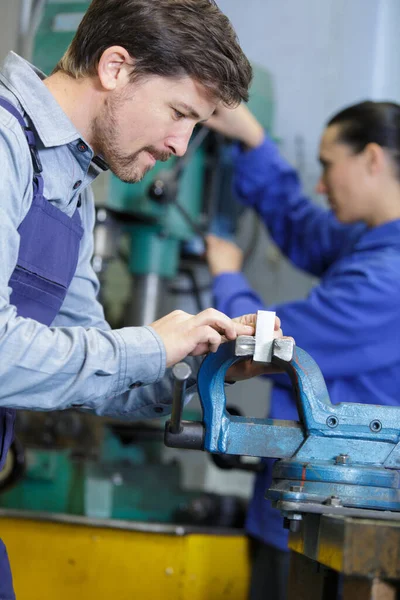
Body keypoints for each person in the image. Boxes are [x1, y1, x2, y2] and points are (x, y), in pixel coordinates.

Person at [0, 1, 286, 597]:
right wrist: (150, 343)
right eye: (179, 113)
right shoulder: (4, 147)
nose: (182, 145)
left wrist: (197, 371)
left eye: (197, 126)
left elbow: (91, 364)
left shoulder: (71, 186)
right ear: (115, 68)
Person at [205, 101, 400, 599]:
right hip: (315, 503)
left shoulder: (389, 277)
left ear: (372, 159)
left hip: (338, 513)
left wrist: (227, 278)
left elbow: (279, 344)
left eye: (328, 165)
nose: (319, 184)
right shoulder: (373, 241)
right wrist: (253, 142)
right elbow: (305, 228)